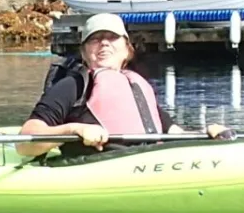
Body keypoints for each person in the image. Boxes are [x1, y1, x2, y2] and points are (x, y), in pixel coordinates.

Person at [17, 13, 227, 155]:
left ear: (127, 49)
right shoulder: (74, 84)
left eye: (112, 37)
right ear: (84, 52)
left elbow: (173, 132)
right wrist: (75, 129)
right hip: (93, 167)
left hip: (145, 162)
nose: (104, 43)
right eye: (95, 39)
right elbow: (25, 141)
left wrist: (207, 134)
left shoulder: (137, 86)